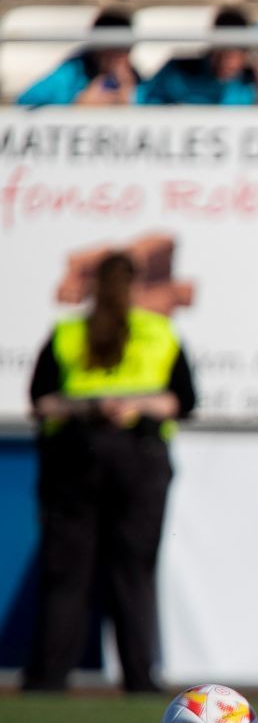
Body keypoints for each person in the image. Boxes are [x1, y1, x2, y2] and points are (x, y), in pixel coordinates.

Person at [24, 253, 196, 692]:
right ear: (137, 289)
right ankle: (139, 677)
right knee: (134, 571)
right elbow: (183, 400)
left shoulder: (68, 332)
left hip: (75, 454)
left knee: (67, 573)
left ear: (91, 287)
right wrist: (136, 405)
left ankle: (48, 677)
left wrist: (91, 406)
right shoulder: (158, 332)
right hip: (136, 456)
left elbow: (41, 400)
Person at [138, 7, 258, 106]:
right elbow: (144, 101)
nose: (226, 61)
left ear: (245, 55)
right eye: (222, 51)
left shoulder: (249, 81)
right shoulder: (177, 71)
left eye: (235, 53)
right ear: (212, 47)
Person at [17, 7, 138, 107]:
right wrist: (77, 104)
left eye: (123, 49)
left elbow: (149, 104)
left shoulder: (133, 77)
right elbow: (24, 103)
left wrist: (131, 98)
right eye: (111, 49)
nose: (117, 57)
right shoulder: (71, 73)